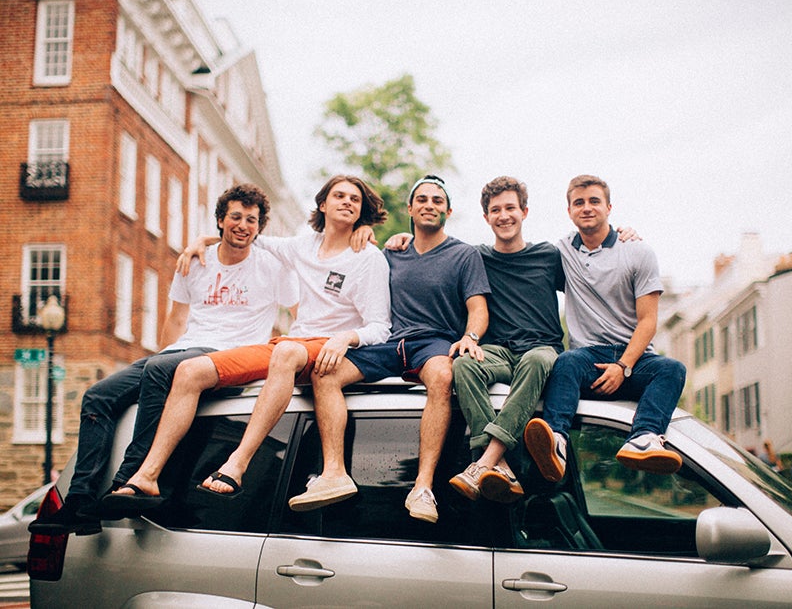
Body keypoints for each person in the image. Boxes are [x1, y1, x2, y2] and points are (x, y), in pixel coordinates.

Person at [102, 175, 391, 511]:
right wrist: (201, 240)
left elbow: (380, 327)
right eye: (339, 195)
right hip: (295, 343)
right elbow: (243, 237)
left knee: (284, 350)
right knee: (189, 370)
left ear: (361, 212)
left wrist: (346, 338)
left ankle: (236, 465)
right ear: (323, 204)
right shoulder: (301, 246)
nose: (347, 202)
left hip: (327, 348)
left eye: (355, 199)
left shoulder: (368, 257)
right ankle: (147, 477)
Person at [29, 184, 293, 535]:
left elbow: (299, 307)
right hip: (185, 350)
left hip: (231, 354)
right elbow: (177, 319)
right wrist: (164, 362)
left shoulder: (272, 265)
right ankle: (80, 503)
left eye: (251, 219)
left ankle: (128, 482)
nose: (243, 225)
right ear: (220, 220)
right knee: (98, 396)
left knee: (159, 369)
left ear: (260, 227)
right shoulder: (195, 261)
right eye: (235, 217)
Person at [306, 175, 491, 524]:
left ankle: (422, 487)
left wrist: (470, 337)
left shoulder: (464, 254)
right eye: (422, 199)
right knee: (324, 372)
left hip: (433, 342)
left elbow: (478, 308)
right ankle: (334, 473)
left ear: (448, 211)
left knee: (442, 377)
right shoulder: (392, 252)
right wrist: (365, 233)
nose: (429, 205)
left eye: (437, 201)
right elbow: (347, 251)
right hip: (391, 342)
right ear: (410, 208)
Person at [524, 174, 686, 483]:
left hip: (635, 360)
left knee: (672, 369)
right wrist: (410, 241)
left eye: (594, 201)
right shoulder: (561, 253)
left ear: (609, 207)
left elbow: (648, 321)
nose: (587, 208)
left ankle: (644, 438)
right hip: (588, 359)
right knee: (565, 362)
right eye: (579, 202)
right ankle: (556, 440)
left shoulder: (638, 251)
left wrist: (623, 366)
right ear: (569, 211)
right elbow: (515, 257)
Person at [448, 176, 563, 503]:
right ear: (486, 218)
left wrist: (622, 238)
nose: (504, 215)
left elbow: (593, 270)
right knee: (465, 364)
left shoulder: (548, 256)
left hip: (540, 350)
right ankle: (499, 465)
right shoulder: (476, 257)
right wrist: (402, 238)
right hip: (499, 352)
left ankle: (485, 460)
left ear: (524, 211)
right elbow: (435, 252)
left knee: (538, 359)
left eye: (510, 207)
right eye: (495, 210)